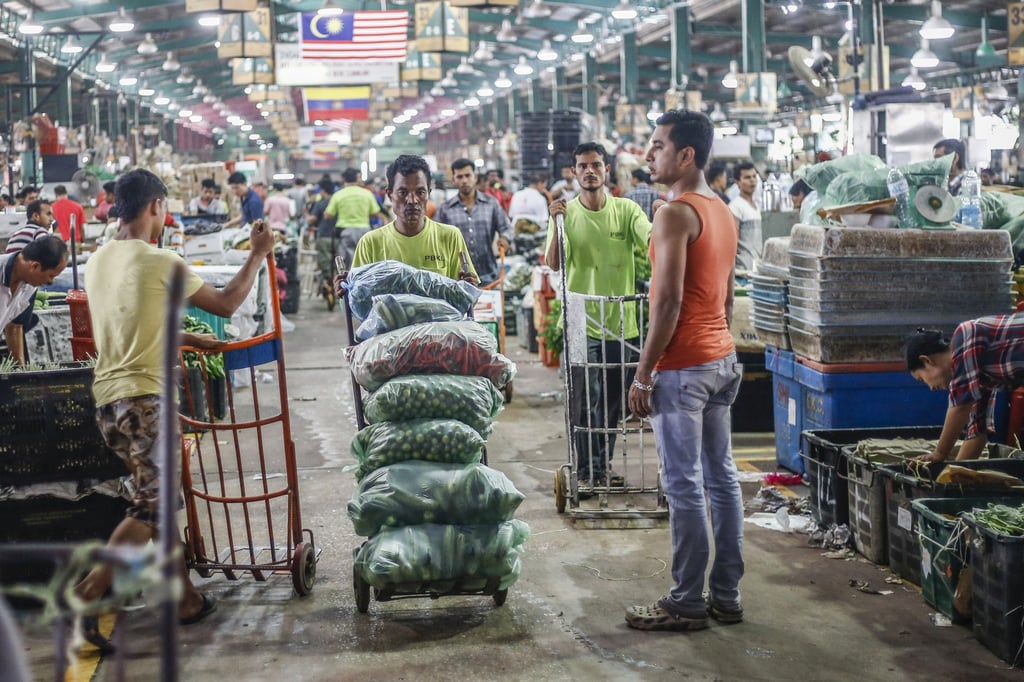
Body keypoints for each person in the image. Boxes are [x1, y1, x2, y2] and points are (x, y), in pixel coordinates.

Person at [75, 168, 276, 652]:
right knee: (153, 505)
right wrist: (257, 255)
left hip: (109, 402)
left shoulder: (98, 261)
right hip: (145, 399)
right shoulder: (162, 260)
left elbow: (131, 327)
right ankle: (87, 593)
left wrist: (187, 338)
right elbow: (228, 303)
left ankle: (184, 599)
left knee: (160, 505)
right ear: (155, 208)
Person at [622, 109, 743, 632]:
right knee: (723, 479)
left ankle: (687, 600)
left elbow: (666, 301)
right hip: (721, 359)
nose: (648, 155)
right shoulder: (722, 210)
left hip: (685, 367)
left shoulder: (674, 213)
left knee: (684, 485)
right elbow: (728, 295)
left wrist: (644, 372)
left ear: (685, 155)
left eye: (657, 146)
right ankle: (727, 595)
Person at [545, 142, 651, 489]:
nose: (589, 171)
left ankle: (601, 467)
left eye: (596, 165)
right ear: (574, 173)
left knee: (613, 404)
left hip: (623, 323)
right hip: (581, 324)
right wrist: (555, 222)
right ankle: (585, 470)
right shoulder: (565, 213)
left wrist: (667, 219)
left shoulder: (627, 210)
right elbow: (554, 262)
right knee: (583, 403)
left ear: (607, 170)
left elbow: (649, 243)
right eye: (582, 166)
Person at [906, 316, 1024, 462]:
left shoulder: (966, 335)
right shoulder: (979, 375)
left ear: (927, 361)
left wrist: (939, 454)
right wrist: (954, 476)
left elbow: (960, 407)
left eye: (922, 379)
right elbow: (978, 431)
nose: (930, 388)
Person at [350, 154, 478, 284]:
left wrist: (468, 288)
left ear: (429, 193)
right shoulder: (370, 243)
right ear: (390, 195)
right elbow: (358, 300)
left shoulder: (450, 237)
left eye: (420, 192)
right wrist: (346, 293)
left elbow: (464, 298)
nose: (412, 200)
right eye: (403, 192)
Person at [435, 159, 513, 285]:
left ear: (475, 177)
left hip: (488, 275)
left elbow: (506, 228)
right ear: (453, 180)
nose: (464, 180)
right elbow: (435, 238)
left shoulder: (491, 204)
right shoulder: (445, 209)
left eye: (468, 175)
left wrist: (505, 238)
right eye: (459, 177)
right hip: (457, 280)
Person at [0, 236, 67, 365]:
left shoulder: (30, 285)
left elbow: (14, 324)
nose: (50, 282)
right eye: (51, 275)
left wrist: (20, 370)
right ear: (35, 266)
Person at [325, 168, 387, 269]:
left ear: (344, 179)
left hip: (346, 232)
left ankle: (349, 282)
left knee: (348, 262)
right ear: (357, 178)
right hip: (365, 232)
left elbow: (328, 215)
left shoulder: (338, 195)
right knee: (365, 260)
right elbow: (375, 213)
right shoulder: (367, 194)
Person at [308, 178, 338, 304]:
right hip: (338, 237)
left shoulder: (320, 204)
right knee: (337, 264)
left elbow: (312, 220)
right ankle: (337, 286)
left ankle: (328, 284)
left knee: (325, 263)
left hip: (323, 236)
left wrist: (306, 215)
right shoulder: (339, 202)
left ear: (323, 190)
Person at [728, 161, 762, 271]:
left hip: (754, 267)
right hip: (741, 270)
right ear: (737, 182)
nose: (752, 180)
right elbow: (730, 243)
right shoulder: (735, 207)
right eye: (747, 177)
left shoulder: (756, 206)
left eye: (754, 176)